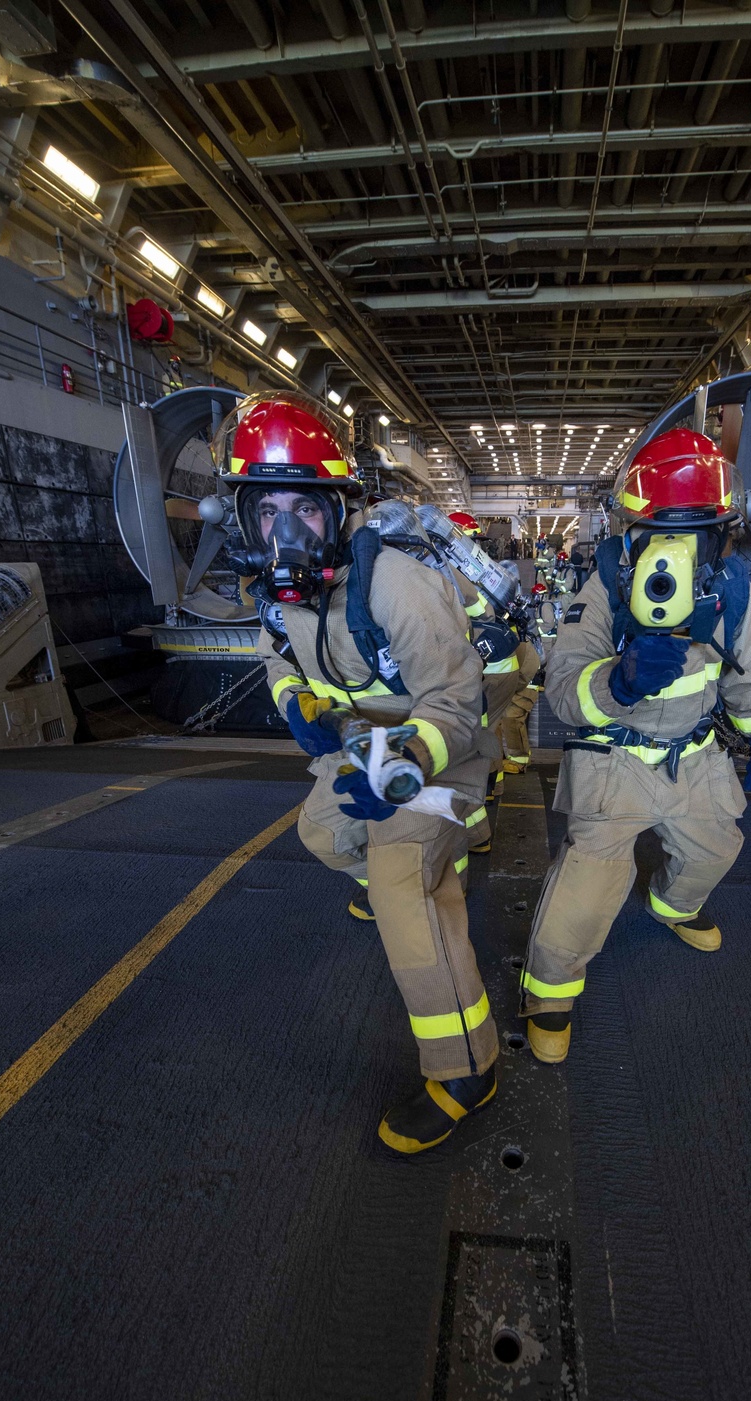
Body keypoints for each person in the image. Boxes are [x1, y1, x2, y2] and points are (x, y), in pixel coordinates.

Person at [218, 394, 499, 1153]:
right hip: (362, 750)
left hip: (440, 755)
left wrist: (403, 769)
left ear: (335, 509)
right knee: (318, 832)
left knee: (402, 882)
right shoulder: (276, 594)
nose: (284, 532)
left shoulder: (394, 585)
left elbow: (457, 701)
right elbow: (280, 654)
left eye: (302, 510)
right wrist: (296, 699)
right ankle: (446, 853)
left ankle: (467, 1068)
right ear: (242, 518)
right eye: (265, 509)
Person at [519, 429, 751, 1065]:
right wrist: (618, 681)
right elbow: (563, 690)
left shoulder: (732, 593)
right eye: (660, 533)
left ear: (721, 536)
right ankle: (550, 993)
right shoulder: (605, 589)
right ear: (631, 534)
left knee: (717, 845)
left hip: (696, 760)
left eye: (696, 534)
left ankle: (673, 904)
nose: (676, 552)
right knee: (584, 891)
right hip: (614, 764)